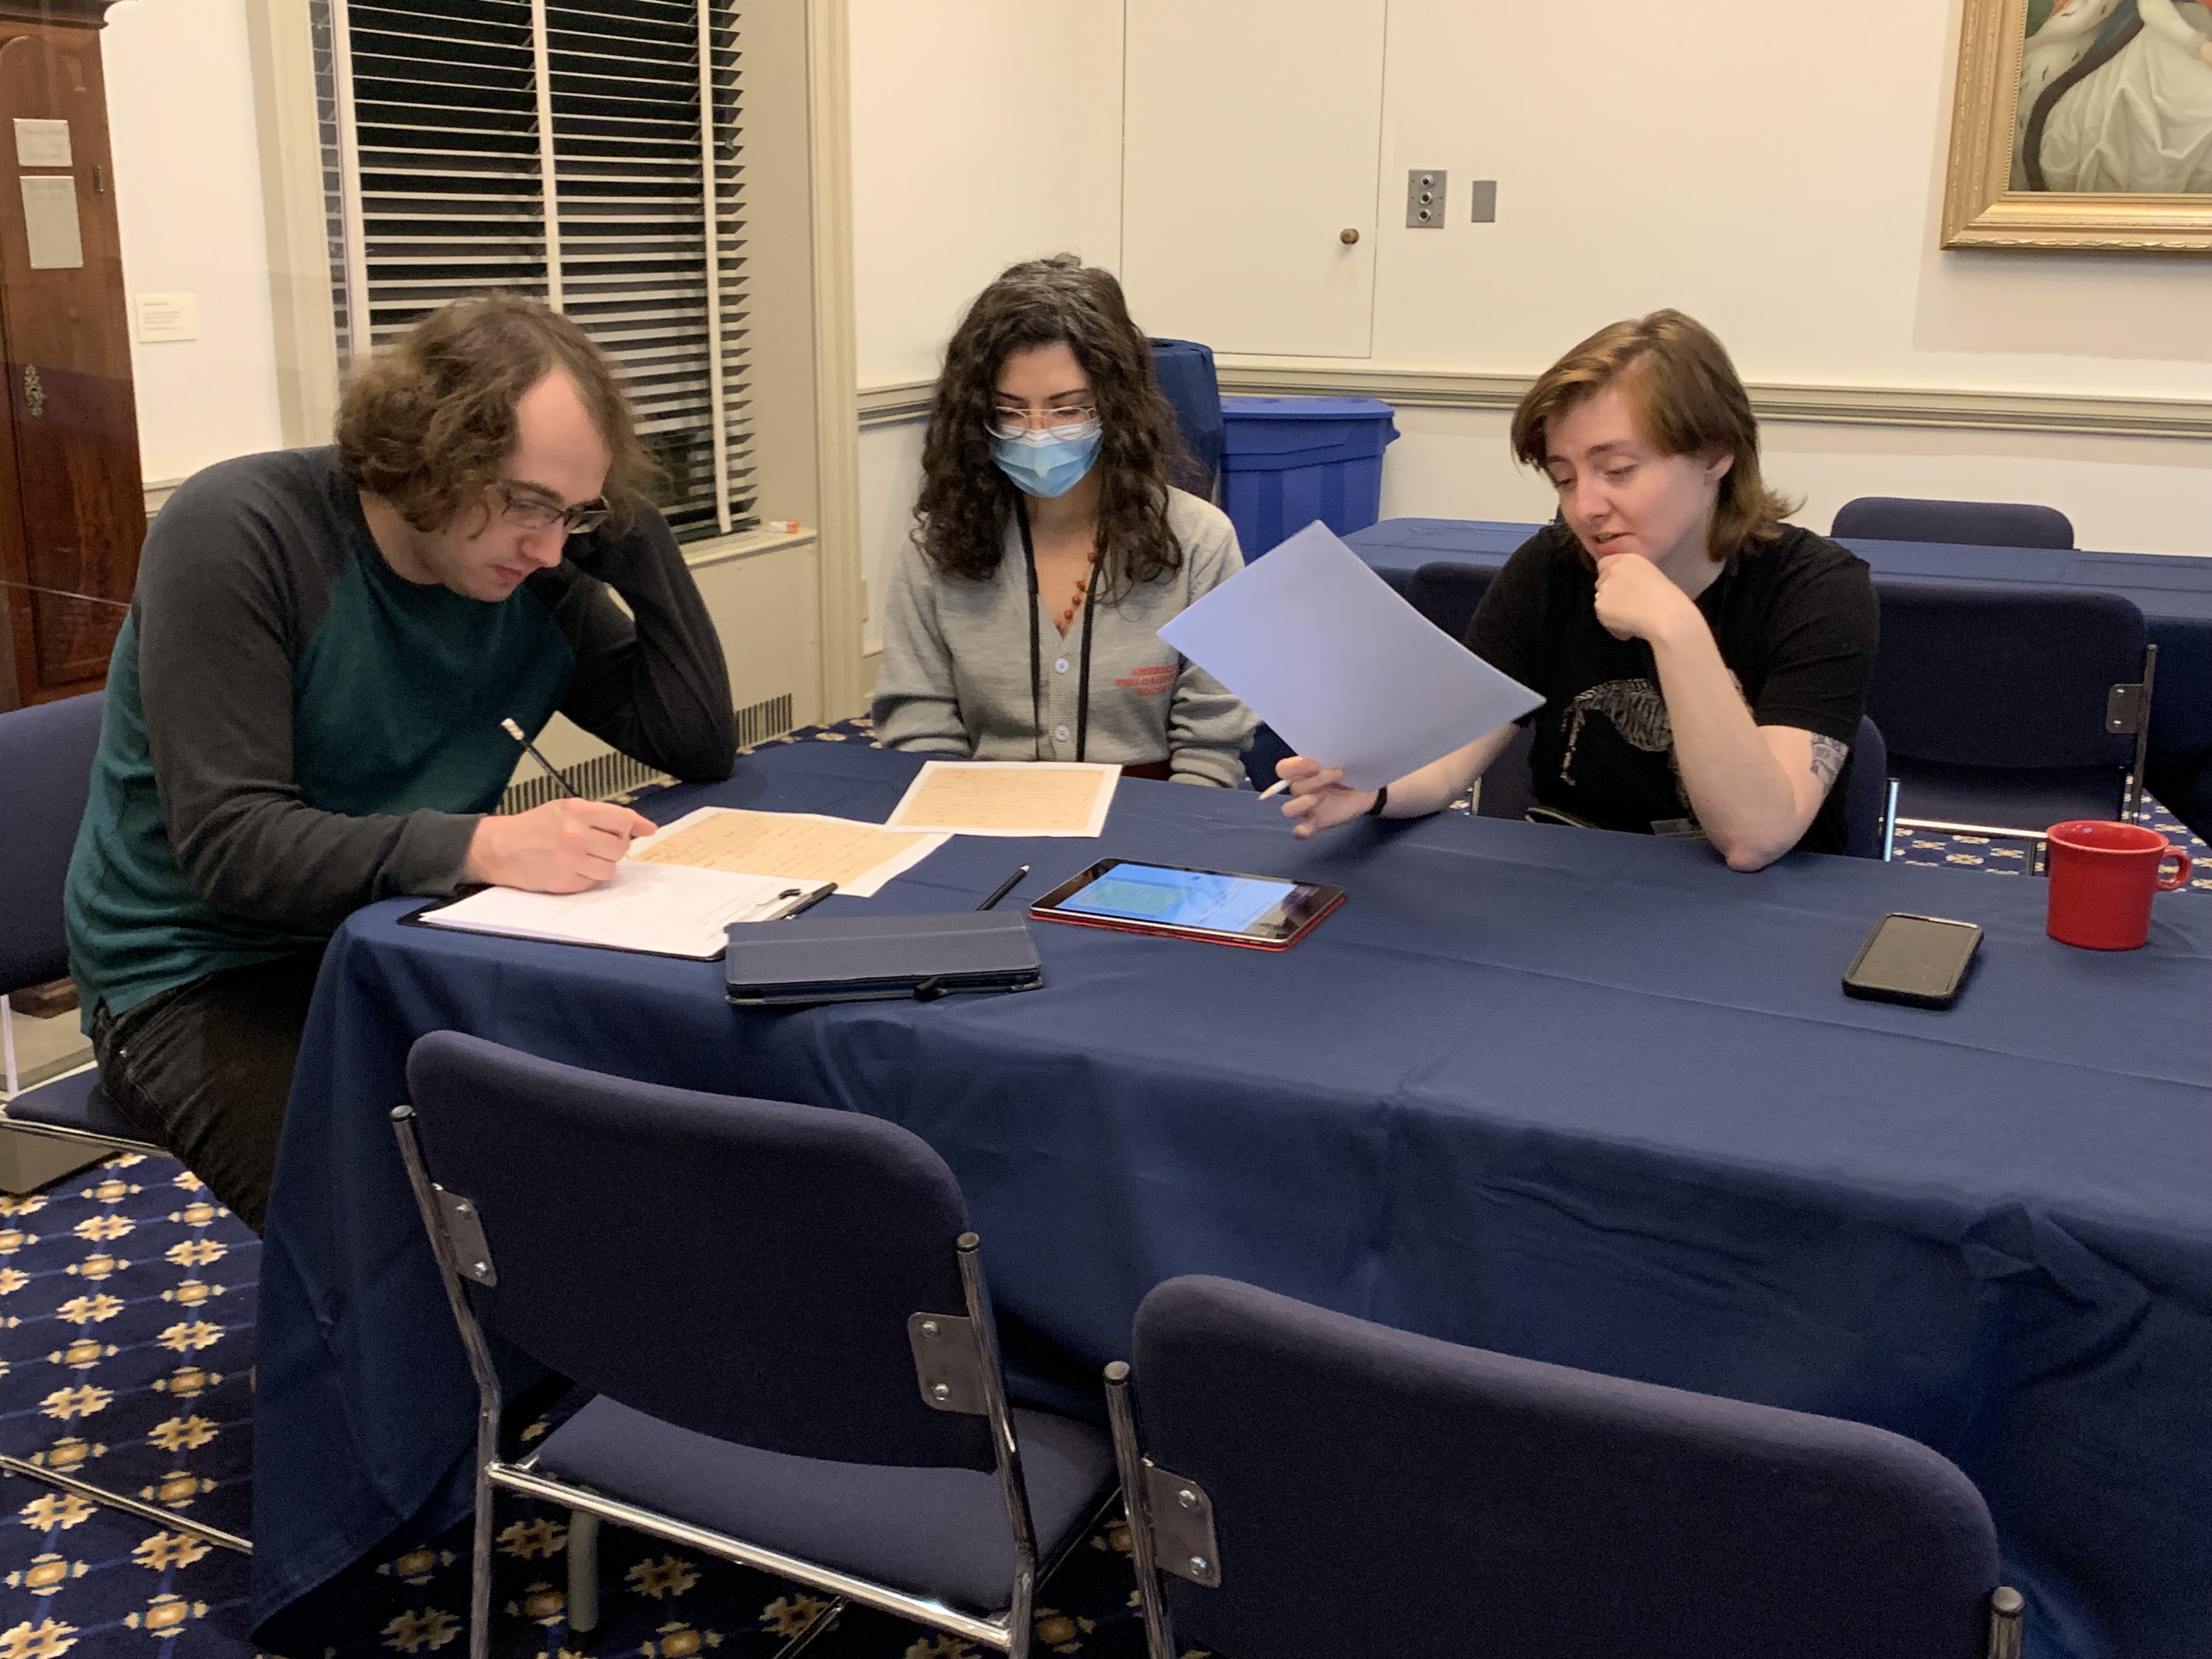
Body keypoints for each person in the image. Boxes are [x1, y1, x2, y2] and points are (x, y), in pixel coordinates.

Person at [65, 295, 737, 1229]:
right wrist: (486, 847)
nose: (548, 548)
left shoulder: (523, 572)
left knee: (635, 1132)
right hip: (198, 971)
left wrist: (636, 535)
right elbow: (234, 848)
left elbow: (695, 738)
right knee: (402, 1229)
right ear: (433, 452)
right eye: (528, 504)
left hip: (406, 929)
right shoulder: (242, 528)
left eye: (573, 512)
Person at [1278, 308, 1877, 872]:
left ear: (1715, 453)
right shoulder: (1550, 570)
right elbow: (1451, 756)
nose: (1585, 507)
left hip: (1759, 914)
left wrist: (1677, 630)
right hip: (1569, 892)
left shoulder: (1817, 588)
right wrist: (1375, 786)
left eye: (1618, 471)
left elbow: (1753, 839)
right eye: (1564, 478)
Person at [872, 255, 1255, 786]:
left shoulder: (1200, 539)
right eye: (1009, 411)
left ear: (1117, 407)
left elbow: (1213, 742)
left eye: (1069, 409)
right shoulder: (936, 546)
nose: (1037, 432)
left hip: (1154, 815)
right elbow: (920, 722)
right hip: (982, 814)